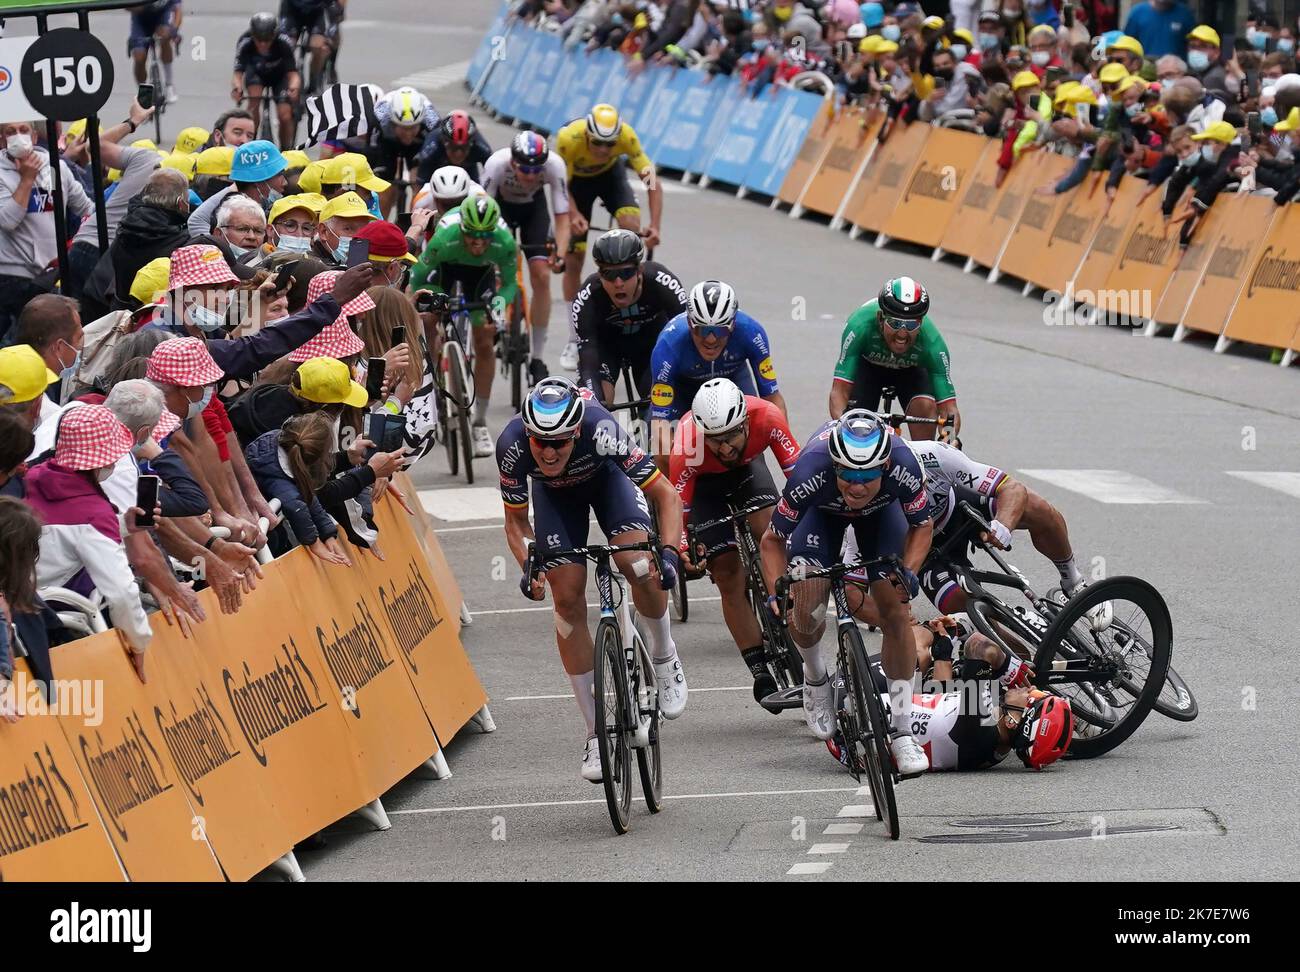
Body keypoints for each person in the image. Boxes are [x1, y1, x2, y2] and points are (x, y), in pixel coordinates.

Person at [498, 378, 686, 783]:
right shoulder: (511, 445)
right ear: (528, 435)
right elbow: (515, 523)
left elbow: (667, 496)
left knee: (635, 564)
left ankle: (664, 651)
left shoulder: (603, 428)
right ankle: (594, 731)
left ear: (577, 432)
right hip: (555, 500)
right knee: (565, 600)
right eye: (539, 442)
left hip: (607, 483)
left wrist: (668, 554)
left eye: (560, 442)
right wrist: (529, 565)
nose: (548, 452)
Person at [758, 410, 933, 775]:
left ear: (884, 466)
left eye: (867, 475)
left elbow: (922, 525)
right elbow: (772, 540)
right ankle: (815, 675)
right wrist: (778, 591)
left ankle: (901, 731)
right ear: (834, 466)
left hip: (881, 517)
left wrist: (910, 572)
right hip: (820, 515)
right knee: (807, 604)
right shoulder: (811, 470)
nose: (856, 486)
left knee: (896, 611)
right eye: (848, 475)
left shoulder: (903, 464)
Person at [669, 378, 799, 699]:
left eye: (731, 436)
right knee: (726, 574)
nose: (725, 447)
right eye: (715, 440)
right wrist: (684, 547)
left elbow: (798, 479)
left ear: (745, 422)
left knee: (771, 528)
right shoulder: (686, 445)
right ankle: (759, 669)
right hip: (704, 489)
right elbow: (677, 512)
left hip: (748, 472)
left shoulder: (767, 417)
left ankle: (779, 599)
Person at [827, 623, 1073, 772]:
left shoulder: (982, 724)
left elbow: (979, 645)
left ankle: (813, 681)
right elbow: (941, 702)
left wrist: (1009, 667)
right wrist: (944, 650)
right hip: (875, 729)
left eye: (1033, 697)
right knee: (929, 653)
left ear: (1013, 722)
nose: (1030, 689)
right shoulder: (993, 749)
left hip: (847, 704)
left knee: (915, 640)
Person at [21, 404, 155, 680]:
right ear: (103, 460)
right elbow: (121, 592)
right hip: (44, 614)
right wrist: (138, 642)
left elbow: (58, 535)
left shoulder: (29, 477)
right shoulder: (93, 514)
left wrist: (122, 527)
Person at [410, 195, 520, 458]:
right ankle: (433, 380)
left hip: (480, 276)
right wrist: (423, 307)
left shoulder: (504, 242)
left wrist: (498, 305)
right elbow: (418, 277)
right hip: (443, 270)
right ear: (462, 229)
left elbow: (508, 284)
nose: (479, 243)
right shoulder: (444, 237)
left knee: (485, 339)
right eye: (472, 236)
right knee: (428, 321)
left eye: (485, 237)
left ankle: (479, 422)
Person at [555, 104, 663, 371]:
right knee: (575, 258)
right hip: (574, 186)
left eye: (609, 144)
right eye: (598, 143)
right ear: (588, 134)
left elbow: (652, 181)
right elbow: (559, 186)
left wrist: (655, 226)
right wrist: (575, 214)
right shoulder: (569, 139)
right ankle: (574, 337)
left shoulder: (627, 137)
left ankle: (632, 318)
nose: (603, 149)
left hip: (610, 178)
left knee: (630, 227)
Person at [648, 280, 785, 473]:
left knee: (749, 436)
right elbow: (659, 422)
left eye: (720, 329)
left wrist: (781, 444)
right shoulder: (668, 345)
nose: (711, 339)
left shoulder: (752, 333)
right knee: (662, 452)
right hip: (683, 389)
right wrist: (670, 458)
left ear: (733, 325)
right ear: (689, 323)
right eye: (702, 329)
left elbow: (772, 398)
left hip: (733, 380)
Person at [482, 132, 572, 383]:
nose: (531, 176)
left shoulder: (554, 166)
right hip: (499, 210)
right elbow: (481, 211)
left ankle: (538, 357)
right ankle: (499, 317)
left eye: (536, 171)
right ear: (513, 162)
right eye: (524, 169)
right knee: (498, 272)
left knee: (542, 277)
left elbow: (562, 218)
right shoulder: (496, 164)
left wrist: (561, 255)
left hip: (534, 211)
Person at [830, 276, 958, 441]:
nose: (902, 334)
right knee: (856, 424)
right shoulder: (859, 326)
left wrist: (949, 438)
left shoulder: (933, 343)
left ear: (921, 322)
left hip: (911, 372)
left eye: (911, 325)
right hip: (869, 368)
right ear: (880, 318)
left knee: (925, 407)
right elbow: (839, 391)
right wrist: (844, 431)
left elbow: (949, 409)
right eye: (895, 323)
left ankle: (925, 460)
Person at [0, 119, 93, 343]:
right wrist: (27, 180)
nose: (18, 136)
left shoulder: (55, 167)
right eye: (10, 132)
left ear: (34, 136)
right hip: (12, 277)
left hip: (51, 275)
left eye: (24, 130)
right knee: (13, 345)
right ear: (2, 139)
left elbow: (86, 209)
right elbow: (8, 220)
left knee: (49, 343)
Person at [573, 228, 686, 406]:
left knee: (660, 401)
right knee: (596, 403)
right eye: (609, 274)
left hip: (651, 345)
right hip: (607, 348)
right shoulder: (588, 296)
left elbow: (685, 334)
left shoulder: (661, 282)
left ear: (639, 270)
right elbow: (588, 361)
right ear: (600, 275)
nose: (618, 283)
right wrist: (593, 404)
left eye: (626, 273)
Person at [246, 411, 353, 566]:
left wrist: (328, 534)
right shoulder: (280, 480)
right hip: (257, 536)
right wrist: (315, 543)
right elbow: (297, 508)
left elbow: (307, 494)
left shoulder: (280, 442)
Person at [187, 138, 288, 235]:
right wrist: (219, 249)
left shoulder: (266, 201)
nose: (285, 182)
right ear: (258, 181)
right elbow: (196, 221)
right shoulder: (230, 200)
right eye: (279, 175)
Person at [231, 13, 301, 149]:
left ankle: (287, 149)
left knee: (285, 115)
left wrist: (294, 88)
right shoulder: (245, 42)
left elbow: (293, 75)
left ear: (274, 35)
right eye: (259, 39)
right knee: (253, 102)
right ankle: (249, 145)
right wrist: (237, 89)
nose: (263, 44)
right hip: (256, 74)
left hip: (279, 77)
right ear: (253, 35)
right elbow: (238, 74)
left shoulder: (284, 42)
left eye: (267, 39)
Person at [369, 87, 441, 216]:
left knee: (418, 186)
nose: (408, 134)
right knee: (384, 187)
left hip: (418, 143)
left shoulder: (433, 122)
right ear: (393, 122)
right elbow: (371, 150)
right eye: (403, 128)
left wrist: (418, 174)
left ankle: (414, 224)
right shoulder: (379, 118)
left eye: (412, 128)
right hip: (389, 142)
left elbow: (434, 153)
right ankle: (380, 225)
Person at [277, 0, 342, 96]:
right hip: (292, 12)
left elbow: (333, 8)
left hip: (316, 14)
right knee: (286, 45)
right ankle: (289, 77)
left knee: (319, 47)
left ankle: (313, 80)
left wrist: (333, 28)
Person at [416, 110, 493, 184]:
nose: (458, 154)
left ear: (472, 143)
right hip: (435, 169)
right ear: (443, 142)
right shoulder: (431, 149)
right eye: (453, 147)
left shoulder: (482, 149)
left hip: (468, 169)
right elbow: (419, 186)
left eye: (464, 148)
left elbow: (493, 181)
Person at [310, 189, 377, 267]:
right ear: (323, 231)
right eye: (348, 229)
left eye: (364, 230)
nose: (359, 237)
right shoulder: (309, 269)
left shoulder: (367, 267)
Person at [1122, 0, 1192, 60]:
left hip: (1175, 69)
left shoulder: (1184, 14)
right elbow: (1128, 45)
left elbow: (1192, 44)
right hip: (1144, 68)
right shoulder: (1138, 13)